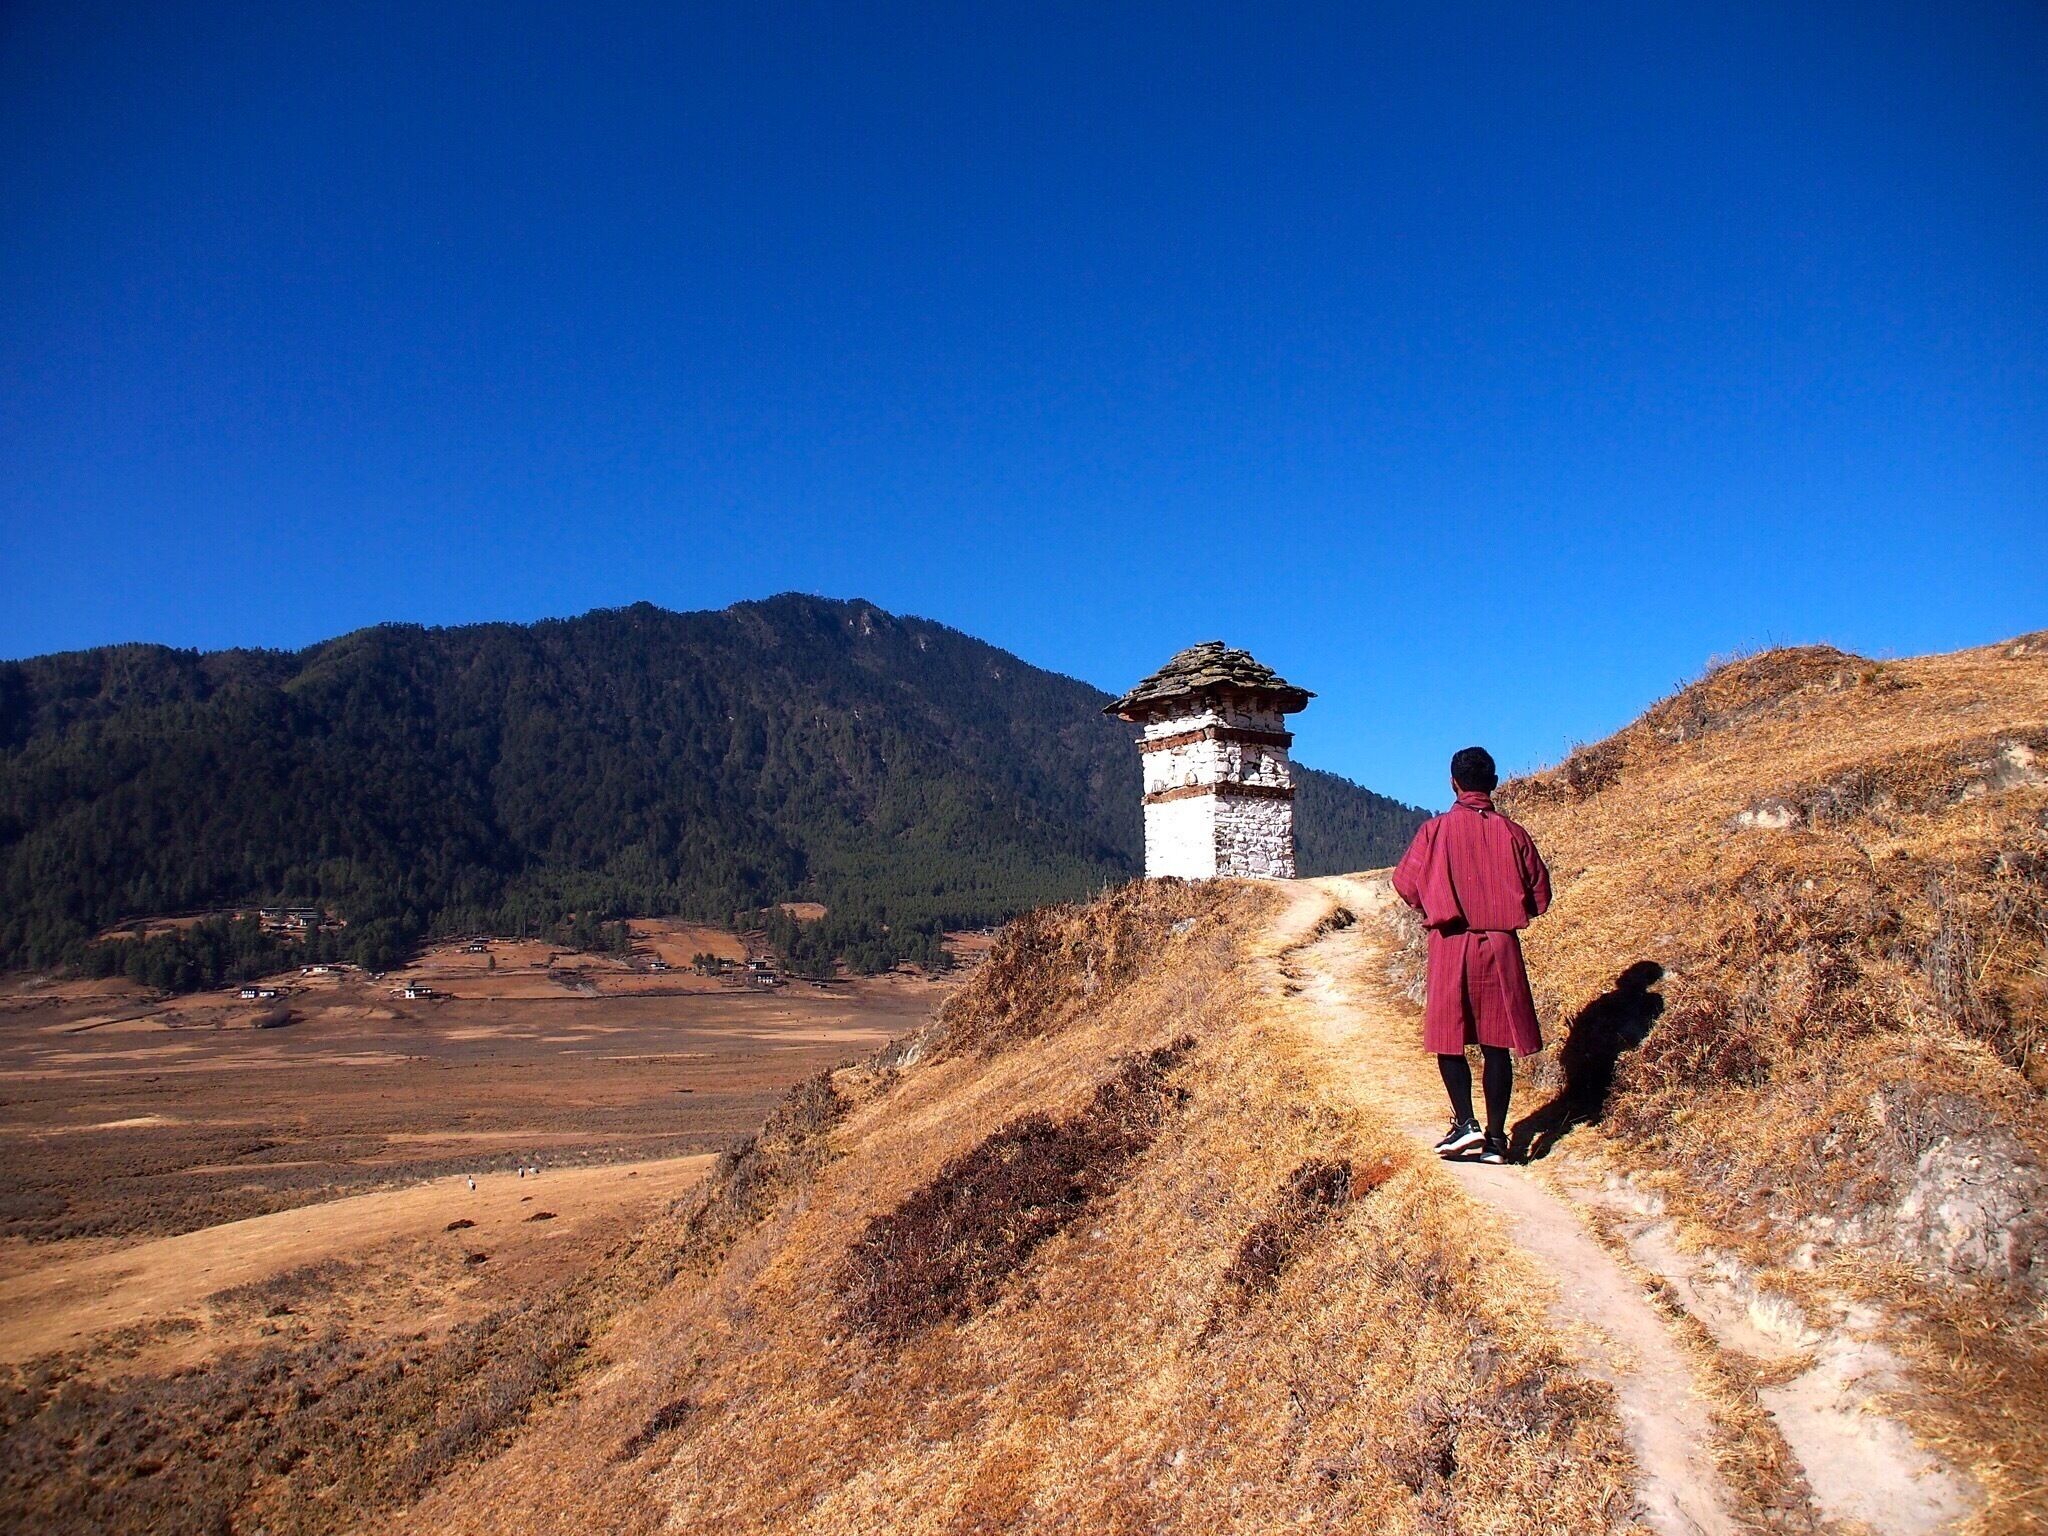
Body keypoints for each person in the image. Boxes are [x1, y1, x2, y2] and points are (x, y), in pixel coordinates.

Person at [1391, 746, 1552, 1166]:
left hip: (1451, 941)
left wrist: (1436, 899)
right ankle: (1497, 1140)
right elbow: (1540, 896)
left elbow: (1405, 884)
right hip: (1501, 944)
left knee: (1450, 1037)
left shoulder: (1435, 831)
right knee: (1496, 1044)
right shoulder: (1514, 833)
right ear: (1493, 783)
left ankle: (1465, 1123)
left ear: (1454, 784)